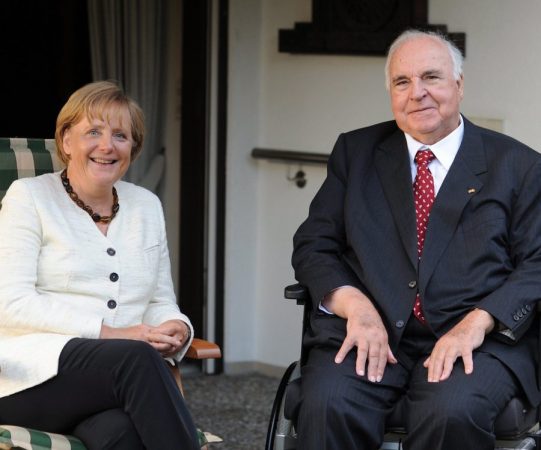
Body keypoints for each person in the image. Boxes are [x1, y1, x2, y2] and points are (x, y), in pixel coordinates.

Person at [291, 29, 541, 450]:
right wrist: (356, 307)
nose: (417, 93)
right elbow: (314, 244)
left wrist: (477, 323)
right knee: (328, 403)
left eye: (431, 77)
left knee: (451, 412)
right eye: (402, 82)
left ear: (459, 85)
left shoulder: (518, 165)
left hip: (476, 343)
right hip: (371, 334)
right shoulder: (357, 153)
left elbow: (537, 261)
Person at [0, 81, 201, 449]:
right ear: (66, 142)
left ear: (132, 148)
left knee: (121, 435)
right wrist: (115, 334)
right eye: (93, 131)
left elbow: (159, 299)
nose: (107, 146)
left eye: (120, 135)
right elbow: (12, 304)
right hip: (27, 378)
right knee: (136, 360)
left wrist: (178, 329)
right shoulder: (28, 197)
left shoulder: (146, 206)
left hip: (109, 384)